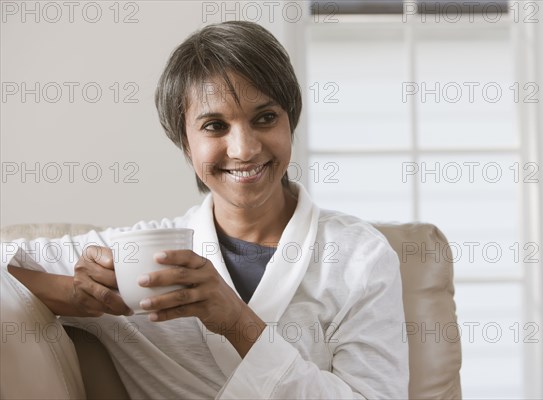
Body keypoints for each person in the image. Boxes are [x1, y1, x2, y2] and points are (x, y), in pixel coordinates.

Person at [3, 21, 408, 399]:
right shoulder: (140, 260)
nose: (245, 149)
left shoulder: (360, 257)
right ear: (184, 141)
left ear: (291, 122)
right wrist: (76, 293)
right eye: (214, 126)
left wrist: (237, 322)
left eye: (265, 118)